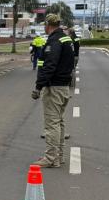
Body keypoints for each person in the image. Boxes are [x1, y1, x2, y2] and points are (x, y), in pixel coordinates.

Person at [31, 14, 76, 168]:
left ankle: (50, 158)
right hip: (63, 86)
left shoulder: (54, 41)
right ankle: (58, 156)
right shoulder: (66, 39)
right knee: (59, 123)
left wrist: (38, 86)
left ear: (48, 24)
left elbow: (49, 65)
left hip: (54, 88)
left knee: (51, 124)